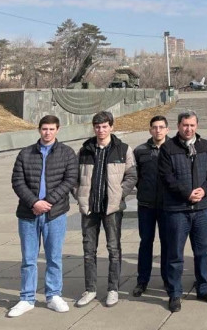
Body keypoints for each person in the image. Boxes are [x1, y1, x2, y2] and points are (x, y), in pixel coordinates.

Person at [8, 115, 77, 317]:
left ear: (58, 130)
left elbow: (70, 179)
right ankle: (26, 298)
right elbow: (17, 181)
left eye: (51, 129)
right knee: (29, 259)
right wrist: (34, 202)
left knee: (54, 257)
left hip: (55, 214)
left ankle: (53, 295)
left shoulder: (67, 153)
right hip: (28, 214)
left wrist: (47, 202)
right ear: (39, 130)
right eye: (44, 129)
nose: (47, 132)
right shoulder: (26, 153)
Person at [159, 110, 207, 312]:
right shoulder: (168, 147)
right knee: (175, 254)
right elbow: (166, 177)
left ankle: (203, 288)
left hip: (201, 209)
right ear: (178, 126)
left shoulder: (205, 145)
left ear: (197, 126)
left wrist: (205, 189)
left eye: (192, 125)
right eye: (185, 125)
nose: (188, 129)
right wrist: (187, 194)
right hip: (177, 210)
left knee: (202, 252)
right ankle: (175, 293)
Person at [75, 111, 137, 308]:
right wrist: (79, 194)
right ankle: (90, 289)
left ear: (111, 127)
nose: (101, 130)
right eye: (97, 127)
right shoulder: (85, 150)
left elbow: (132, 176)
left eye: (104, 126)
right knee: (88, 251)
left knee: (114, 249)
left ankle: (113, 289)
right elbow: (74, 177)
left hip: (112, 209)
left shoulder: (123, 149)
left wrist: (119, 194)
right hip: (90, 209)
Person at [132, 115, 169, 297]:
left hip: (168, 206)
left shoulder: (174, 148)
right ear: (150, 130)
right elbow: (135, 176)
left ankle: (168, 279)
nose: (158, 130)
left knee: (167, 243)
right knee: (146, 242)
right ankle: (142, 280)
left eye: (161, 127)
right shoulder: (140, 150)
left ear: (167, 129)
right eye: (155, 127)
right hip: (146, 205)